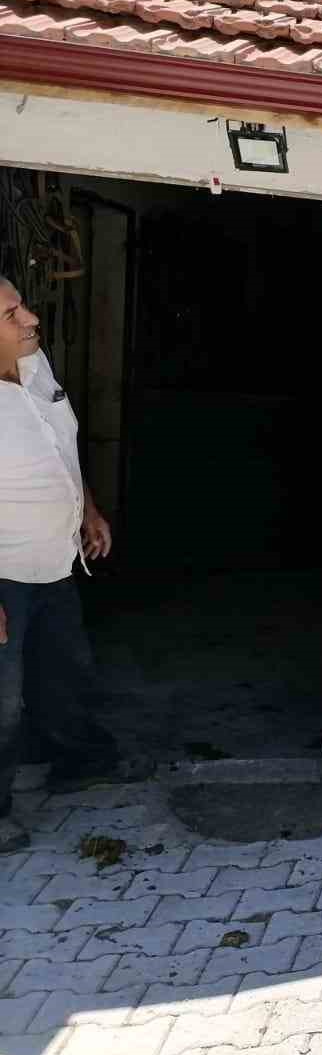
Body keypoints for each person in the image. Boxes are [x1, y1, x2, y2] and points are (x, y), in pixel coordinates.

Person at [0, 277, 119, 851]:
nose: (30, 319)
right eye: (10, 314)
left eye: (21, 304)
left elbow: (61, 446)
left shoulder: (33, 364)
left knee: (64, 669)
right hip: (5, 575)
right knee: (3, 695)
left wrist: (87, 510)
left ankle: (79, 760)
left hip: (56, 559)